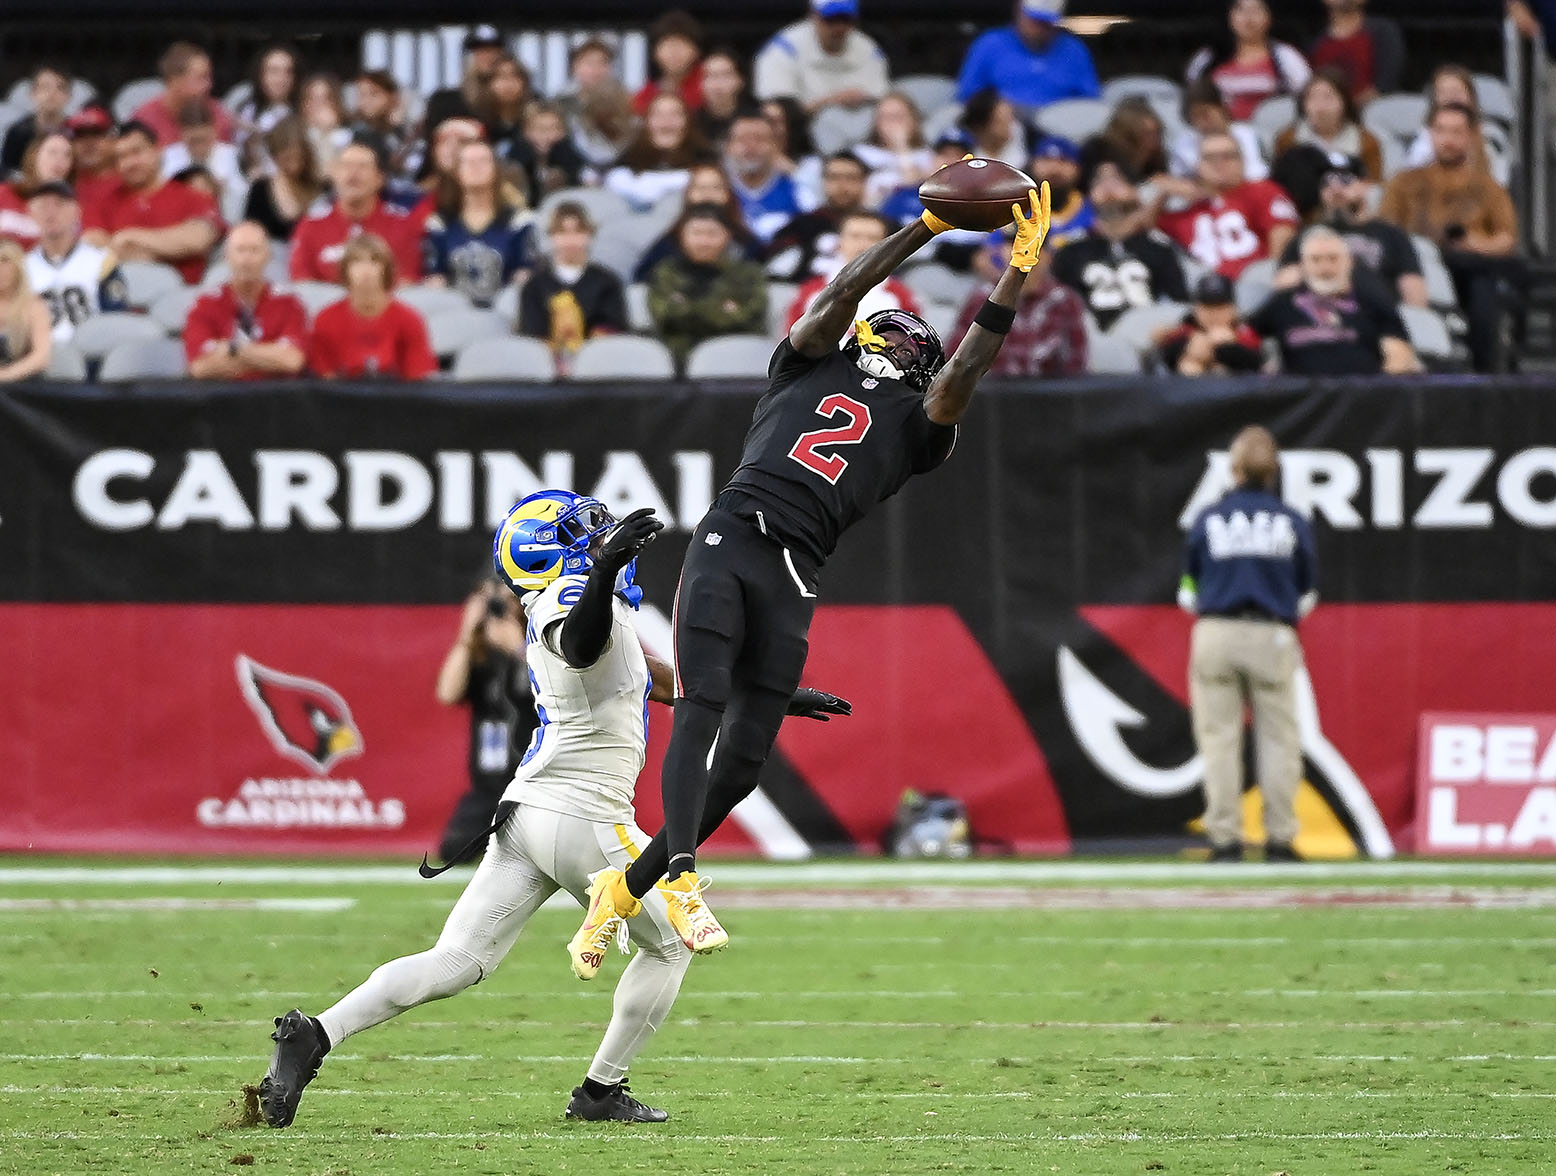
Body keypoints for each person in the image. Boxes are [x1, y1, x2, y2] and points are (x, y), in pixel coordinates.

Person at [566, 181, 1055, 963]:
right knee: (701, 706)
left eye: (901, 333)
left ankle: (623, 889)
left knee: (747, 758)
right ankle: (682, 875)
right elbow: (842, 290)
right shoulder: (804, 366)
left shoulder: (918, 424)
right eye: (883, 326)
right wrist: (924, 226)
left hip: (794, 568)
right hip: (732, 534)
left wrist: (1014, 276)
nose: (884, 332)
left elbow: (968, 368)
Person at [257, 489, 830, 1128]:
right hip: (584, 815)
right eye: (584, 530)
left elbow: (654, 677)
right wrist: (607, 568)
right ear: (548, 549)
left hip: (531, 811)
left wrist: (771, 698)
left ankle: (315, 1033)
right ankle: (600, 1091)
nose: (599, 534)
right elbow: (580, 644)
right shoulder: (568, 600)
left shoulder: (567, 602)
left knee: (457, 961)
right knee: (670, 944)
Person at [1179, 425, 1316, 863]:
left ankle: (1225, 839)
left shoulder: (1209, 519)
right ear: (1274, 472)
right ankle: (1279, 838)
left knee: (1219, 740)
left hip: (1215, 630)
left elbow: (1186, 592)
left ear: (1234, 470)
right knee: (1279, 739)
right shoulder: (1292, 521)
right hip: (1272, 632)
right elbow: (1307, 594)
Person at [1380, 102, 1520, 372]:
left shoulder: (1488, 187)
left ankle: (1484, 373)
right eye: (1442, 131)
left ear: (1470, 137)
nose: (1449, 139)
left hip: (1470, 267)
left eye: (1457, 132)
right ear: (1430, 134)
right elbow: (1386, 231)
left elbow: (1506, 238)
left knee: (1484, 286)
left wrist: (1473, 244)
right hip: (1413, 265)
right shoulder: (1403, 182)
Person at [431, 576, 537, 866]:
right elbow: (447, 693)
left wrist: (519, 649)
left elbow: (559, 690)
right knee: (455, 849)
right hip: (488, 788)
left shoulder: (538, 646)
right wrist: (468, 634)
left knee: (539, 855)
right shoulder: (480, 656)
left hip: (534, 784)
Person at [1247, 226, 1419, 375]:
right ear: (1302, 266)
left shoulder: (1373, 302)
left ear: (1350, 262)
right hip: (1300, 403)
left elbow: (1399, 356)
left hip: (1361, 400)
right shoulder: (1282, 304)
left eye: (1333, 258)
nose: (1325, 268)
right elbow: (1244, 339)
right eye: (1316, 260)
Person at [1050, 161, 1190, 330]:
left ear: (1136, 191)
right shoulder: (1071, 249)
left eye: (1117, 180)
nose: (1108, 187)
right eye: (1099, 181)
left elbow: (1177, 304)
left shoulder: (1159, 246)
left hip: (1148, 336)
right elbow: (1058, 307)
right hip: (1089, 341)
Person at [1274, 153, 1425, 306]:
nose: (1335, 188)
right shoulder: (1307, 235)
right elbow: (1283, 286)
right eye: (1326, 182)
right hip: (1318, 316)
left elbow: (1415, 299)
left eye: (1345, 180)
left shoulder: (1392, 236)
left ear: (1365, 185)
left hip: (1375, 317)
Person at [1155, 131, 1300, 281]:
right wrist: (1162, 192)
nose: (1218, 164)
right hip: (1206, 294)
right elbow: (1139, 229)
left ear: (1242, 161)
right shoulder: (1189, 212)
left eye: (1227, 156)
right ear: (1198, 165)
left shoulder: (1263, 191)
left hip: (1256, 285)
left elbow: (1283, 246)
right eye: (1210, 158)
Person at [94, 120, 224, 284]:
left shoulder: (194, 197)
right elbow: (94, 249)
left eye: (136, 152)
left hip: (184, 298)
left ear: (158, 150)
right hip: (122, 300)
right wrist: (169, 250)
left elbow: (198, 239)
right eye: (121, 157)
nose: (130, 163)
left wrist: (129, 237)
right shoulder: (104, 204)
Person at [951, 225, 1086, 376]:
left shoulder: (1065, 302)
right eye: (1013, 245)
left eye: (1031, 245)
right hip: (992, 395)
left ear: (1048, 256)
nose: (1021, 253)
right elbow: (955, 362)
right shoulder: (982, 299)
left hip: (1050, 396)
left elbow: (1076, 368)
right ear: (1001, 251)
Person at [646, 204, 769, 366]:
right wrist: (722, 310)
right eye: (696, 233)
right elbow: (665, 316)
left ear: (728, 235)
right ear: (681, 235)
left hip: (736, 357)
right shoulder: (666, 272)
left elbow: (749, 319)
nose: (704, 242)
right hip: (677, 359)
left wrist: (685, 306)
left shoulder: (748, 274)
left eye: (712, 234)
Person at [184, 222, 308, 380]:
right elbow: (200, 368)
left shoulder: (289, 303)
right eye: (240, 250)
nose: (247, 259)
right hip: (222, 397)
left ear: (268, 255)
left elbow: (292, 361)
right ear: (227, 256)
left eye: (254, 250)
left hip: (274, 397)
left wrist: (233, 349)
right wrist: (269, 357)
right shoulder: (205, 304)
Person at [289, 137, 422, 284]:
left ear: (379, 179)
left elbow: (407, 283)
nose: (353, 175)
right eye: (346, 166)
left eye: (362, 167)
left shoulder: (402, 225)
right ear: (334, 176)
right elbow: (302, 286)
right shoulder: (310, 226)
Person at [422, 139, 533, 308]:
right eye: (469, 162)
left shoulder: (518, 222)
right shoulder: (440, 224)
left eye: (483, 161)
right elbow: (436, 278)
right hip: (454, 314)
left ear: (496, 169)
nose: (476, 167)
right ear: (457, 172)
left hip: (505, 314)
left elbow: (523, 278)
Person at [308, 234, 436, 379]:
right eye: (357, 261)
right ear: (345, 270)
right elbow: (324, 383)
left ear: (386, 269)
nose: (366, 270)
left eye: (374, 261)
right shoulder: (325, 320)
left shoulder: (410, 320)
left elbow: (418, 381)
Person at [517, 201, 628, 360]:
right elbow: (531, 336)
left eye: (578, 232)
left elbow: (615, 331)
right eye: (562, 232)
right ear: (551, 236)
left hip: (597, 365)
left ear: (590, 235)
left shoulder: (607, 283)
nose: (571, 240)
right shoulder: (535, 286)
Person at [24, 181, 129, 343]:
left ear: (77, 211)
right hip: (38, 359)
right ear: (30, 213)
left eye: (59, 204)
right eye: (43, 205)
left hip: (94, 356)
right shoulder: (22, 267)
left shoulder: (101, 260)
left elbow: (115, 319)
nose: (51, 212)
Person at [957, 0, 1101, 114]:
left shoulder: (1074, 50)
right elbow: (968, 97)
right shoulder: (989, 43)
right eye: (1035, 20)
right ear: (1019, 11)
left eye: (1046, 22)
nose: (1040, 28)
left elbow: (1090, 104)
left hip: (1060, 134)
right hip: (1003, 130)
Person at [784, 211, 921, 329]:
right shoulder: (810, 291)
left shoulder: (901, 296)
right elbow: (792, 342)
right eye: (855, 236)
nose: (863, 245)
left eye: (872, 238)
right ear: (840, 241)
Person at [753, 0, 890, 118]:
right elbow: (776, 112)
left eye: (845, 19)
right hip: (799, 135)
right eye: (830, 19)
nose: (839, 27)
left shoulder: (869, 50)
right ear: (813, 16)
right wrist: (831, 101)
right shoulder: (782, 49)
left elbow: (884, 101)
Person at [1185, 0, 1311, 124]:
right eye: (1240, 10)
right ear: (1229, 16)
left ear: (1269, 17)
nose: (1248, 18)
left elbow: (1305, 95)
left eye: (1256, 10)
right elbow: (1194, 97)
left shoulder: (1285, 56)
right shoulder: (1208, 58)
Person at [635, 162, 763, 282]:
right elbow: (643, 280)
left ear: (728, 194)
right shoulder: (668, 244)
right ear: (688, 194)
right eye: (700, 188)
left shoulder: (746, 244)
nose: (707, 194)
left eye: (716, 188)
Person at [764, 150, 867, 282]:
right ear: (823, 182)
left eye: (851, 178)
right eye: (834, 177)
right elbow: (776, 273)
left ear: (864, 182)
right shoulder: (800, 227)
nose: (842, 185)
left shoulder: (883, 227)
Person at [603, 93, 711, 213]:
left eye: (675, 114)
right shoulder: (624, 168)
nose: (666, 122)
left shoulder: (707, 165)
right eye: (658, 115)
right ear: (646, 123)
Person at [1403, 67, 1510, 186]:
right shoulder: (1424, 137)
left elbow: (1500, 180)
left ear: (1471, 96)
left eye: (1457, 91)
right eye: (1444, 92)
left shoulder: (1490, 135)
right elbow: (1412, 175)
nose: (1451, 98)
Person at [1273, 70, 1383, 185]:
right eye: (1312, 98)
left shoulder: (1366, 141)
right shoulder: (1288, 139)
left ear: (1344, 102)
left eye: (1328, 98)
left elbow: (1374, 185)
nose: (1320, 107)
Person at [724, 111, 814, 244]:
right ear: (728, 147)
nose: (751, 146)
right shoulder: (718, 188)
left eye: (759, 139)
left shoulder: (796, 187)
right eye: (742, 139)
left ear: (775, 145)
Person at [1151, 272, 1262, 375]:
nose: (1213, 314)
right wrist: (1189, 345)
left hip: (1240, 391)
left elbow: (1256, 363)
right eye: (1207, 307)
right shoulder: (1187, 329)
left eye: (1220, 307)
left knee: (1220, 370)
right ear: (1196, 309)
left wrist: (1227, 347)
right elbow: (1168, 357)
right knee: (1189, 366)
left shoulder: (1244, 330)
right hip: (1187, 388)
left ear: (1233, 309)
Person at [133, 42, 238, 147]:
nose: (209, 85)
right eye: (201, 77)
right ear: (174, 80)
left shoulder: (217, 115)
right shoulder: (144, 122)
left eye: (209, 77)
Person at [1169, 78, 1269, 182]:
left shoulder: (1245, 133)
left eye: (1205, 114)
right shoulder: (1184, 142)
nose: (1201, 123)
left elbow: (1256, 174)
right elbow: (1181, 180)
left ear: (1221, 108)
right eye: (1195, 117)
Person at [243, 117, 324, 244]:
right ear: (274, 157)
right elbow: (250, 231)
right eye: (287, 159)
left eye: (299, 158)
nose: (294, 166)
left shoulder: (322, 187)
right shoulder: (260, 190)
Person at [1309, 0, 1404, 106]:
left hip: (1376, 111)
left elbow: (1385, 84)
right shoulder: (1317, 44)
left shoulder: (1383, 32)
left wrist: (1349, 110)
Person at [560, 41, 637, 171]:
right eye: (589, 63)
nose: (596, 70)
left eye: (603, 63)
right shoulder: (562, 103)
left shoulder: (626, 101)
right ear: (575, 66)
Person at [423, 25, 507, 143]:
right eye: (479, 51)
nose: (488, 56)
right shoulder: (444, 102)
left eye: (494, 50)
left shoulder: (520, 104)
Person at [161, 103, 246, 216]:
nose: (199, 146)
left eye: (203, 140)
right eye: (194, 141)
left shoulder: (233, 155)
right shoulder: (167, 158)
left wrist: (222, 190)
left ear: (214, 131)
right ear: (181, 134)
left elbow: (245, 193)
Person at [234, 43, 301, 173]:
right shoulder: (247, 110)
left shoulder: (303, 111)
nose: (281, 79)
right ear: (261, 75)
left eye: (288, 72)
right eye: (274, 71)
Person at [1, 64, 72, 180]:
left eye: (60, 87)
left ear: (69, 96)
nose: (52, 93)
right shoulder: (18, 132)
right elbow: (8, 171)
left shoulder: (76, 130)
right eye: (45, 87)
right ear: (32, 93)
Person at [1080, 97, 1169, 186]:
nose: (1155, 140)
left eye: (1157, 133)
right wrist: (1152, 184)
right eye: (1147, 134)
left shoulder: (1157, 159)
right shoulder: (1098, 152)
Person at [510, 102, 585, 204]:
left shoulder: (574, 161)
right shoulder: (516, 160)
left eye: (555, 128)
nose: (548, 136)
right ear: (525, 132)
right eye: (540, 129)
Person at [0, 238, 53, 382]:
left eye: (6, 261)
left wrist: (6, 375)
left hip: (21, 386)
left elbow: (42, 357)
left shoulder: (34, 306)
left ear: (18, 267)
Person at [1027, 135, 1092, 250]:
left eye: (1063, 160)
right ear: (1032, 165)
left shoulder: (1095, 212)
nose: (1054, 169)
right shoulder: (1016, 212)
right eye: (1046, 160)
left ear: (1078, 169)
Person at [635, 10, 704, 115]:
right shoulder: (645, 97)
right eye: (667, 44)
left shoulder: (708, 88)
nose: (674, 52)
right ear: (655, 53)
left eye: (682, 44)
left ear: (696, 51)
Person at [350, 70, 416, 181]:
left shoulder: (407, 129)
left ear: (393, 96)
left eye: (374, 94)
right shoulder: (356, 132)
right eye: (361, 95)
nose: (366, 101)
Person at [478, 53, 535, 169]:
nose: (508, 83)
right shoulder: (478, 119)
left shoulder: (535, 117)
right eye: (501, 77)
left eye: (514, 76)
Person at [65, 107, 119, 222]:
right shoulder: (64, 179)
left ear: (113, 139)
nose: (88, 143)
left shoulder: (131, 177)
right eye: (80, 135)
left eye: (96, 134)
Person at [959, 89, 1031, 171]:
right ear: (980, 127)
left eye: (1009, 119)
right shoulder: (961, 146)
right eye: (999, 122)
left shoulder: (1030, 138)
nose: (1009, 127)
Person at [299, 73, 352, 177]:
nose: (319, 105)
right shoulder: (296, 135)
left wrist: (327, 132)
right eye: (313, 99)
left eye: (326, 99)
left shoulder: (349, 135)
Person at [695, 48, 748, 146]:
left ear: (741, 81)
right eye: (709, 75)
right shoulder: (692, 122)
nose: (717, 84)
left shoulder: (754, 120)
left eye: (725, 75)